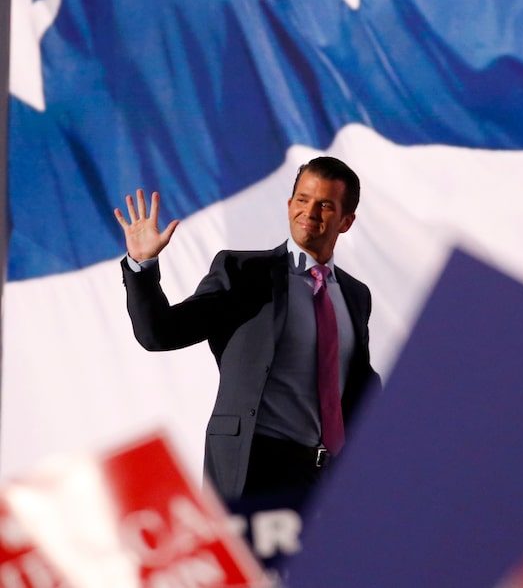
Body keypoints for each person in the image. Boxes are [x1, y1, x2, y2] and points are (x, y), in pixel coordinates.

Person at [114, 156, 381, 509]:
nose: (310, 212)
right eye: (302, 199)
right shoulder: (243, 273)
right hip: (253, 469)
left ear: (346, 221)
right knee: (249, 566)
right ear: (289, 205)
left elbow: (356, 381)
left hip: (324, 478)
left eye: (325, 205)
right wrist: (142, 265)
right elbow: (159, 334)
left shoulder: (355, 294)